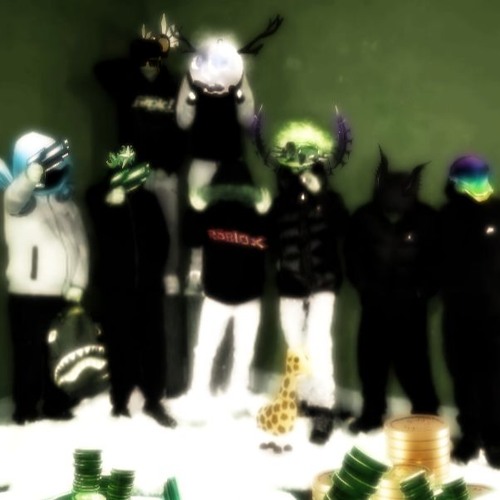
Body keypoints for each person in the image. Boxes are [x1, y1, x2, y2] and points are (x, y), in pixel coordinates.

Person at [344, 147, 440, 434]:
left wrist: (422, 292)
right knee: (371, 363)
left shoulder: (427, 219)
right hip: (374, 304)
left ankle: (427, 415)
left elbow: (439, 261)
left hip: (411, 307)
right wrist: (365, 288)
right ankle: (372, 413)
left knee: (415, 365)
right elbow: (352, 256)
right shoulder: (364, 218)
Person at [0, 132, 89, 424]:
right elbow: (15, 196)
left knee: (59, 352)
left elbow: (81, 246)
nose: (52, 170)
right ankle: (25, 408)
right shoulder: (20, 204)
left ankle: (57, 402)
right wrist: (29, 177)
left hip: (63, 294)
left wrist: (79, 283)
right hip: (28, 294)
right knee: (28, 354)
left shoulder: (67, 205)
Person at [85, 146, 177, 427]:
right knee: (118, 342)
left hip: (148, 286)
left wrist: (156, 271)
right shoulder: (98, 195)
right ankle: (120, 400)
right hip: (115, 286)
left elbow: (162, 238)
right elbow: (96, 215)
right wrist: (110, 196)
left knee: (153, 343)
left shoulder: (147, 199)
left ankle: (153, 399)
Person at [439, 154, 500, 468]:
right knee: (462, 377)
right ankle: (470, 437)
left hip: (494, 313)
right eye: (470, 178)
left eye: (481, 176)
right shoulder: (447, 215)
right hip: (458, 311)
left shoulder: (498, 211)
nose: (478, 183)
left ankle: (495, 439)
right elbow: (435, 259)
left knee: (492, 379)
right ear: (456, 182)